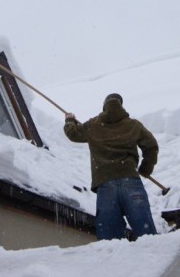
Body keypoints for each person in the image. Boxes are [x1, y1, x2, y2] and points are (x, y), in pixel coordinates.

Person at [64, 92, 159, 240]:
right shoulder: (133, 125)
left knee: (109, 241)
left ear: (104, 106)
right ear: (121, 105)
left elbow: (73, 135)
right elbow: (151, 147)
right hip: (131, 182)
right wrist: (145, 169)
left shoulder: (93, 125)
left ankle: (113, 262)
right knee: (147, 235)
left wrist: (70, 121)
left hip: (106, 184)